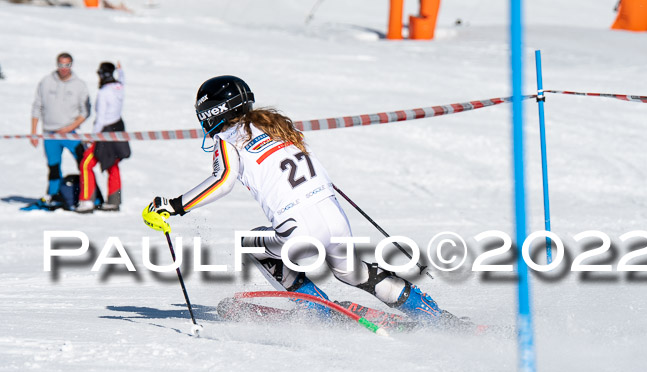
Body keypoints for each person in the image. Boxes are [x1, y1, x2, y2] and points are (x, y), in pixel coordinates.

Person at [146, 75, 462, 327]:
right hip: (332, 214)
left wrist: (173, 205)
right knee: (351, 271)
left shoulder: (228, 138)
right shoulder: (276, 127)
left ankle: (317, 312)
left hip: (297, 226)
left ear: (214, 113)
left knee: (253, 245)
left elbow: (223, 181)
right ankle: (431, 315)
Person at [30, 52, 90, 208]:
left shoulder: (80, 85)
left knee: (83, 164)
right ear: (57, 64)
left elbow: (85, 112)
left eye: (67, 65)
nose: (64, 68)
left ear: (71, 65)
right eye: (61, 65)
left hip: (71, 134)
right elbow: (37, 107)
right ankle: (53, 196)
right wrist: (34, 132)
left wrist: (69, 128)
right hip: (50, 134)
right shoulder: (46, 82)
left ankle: (89, 196)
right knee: (53, 167)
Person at [76, 61, 130, 213]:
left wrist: (92, 137)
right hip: (118, 128)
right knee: (113, 165)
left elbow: (100, 119)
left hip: (104, 131)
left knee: (86, 164)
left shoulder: (104, 92)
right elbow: (123, 80)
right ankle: (114, 201)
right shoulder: (118, 87)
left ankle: (87, 200)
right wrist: (120, 71)